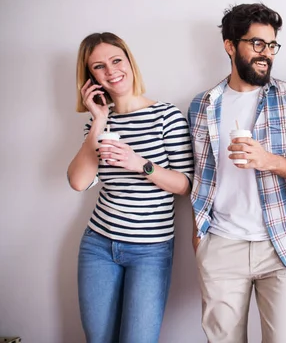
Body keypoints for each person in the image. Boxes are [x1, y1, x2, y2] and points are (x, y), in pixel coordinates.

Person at [188, 3, 286, 343]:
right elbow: (199, 175)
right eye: (256, 44)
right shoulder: (202, 104)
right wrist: (199, 234)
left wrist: (269, 161)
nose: (266, 54)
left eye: (272, 45)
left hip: (280, 244)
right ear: (230, 46)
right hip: (220, 243)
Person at [67, 32, 194, 343]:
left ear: (129, 62)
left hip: (150, 250)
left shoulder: (166, 116)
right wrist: (98, 120)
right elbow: (78, 181)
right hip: (98, 244)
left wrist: (141, 164)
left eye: (116, 60)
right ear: (90, 77)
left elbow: (184, 185)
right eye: (99, 66)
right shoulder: (97, 125)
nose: (111, 71)